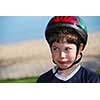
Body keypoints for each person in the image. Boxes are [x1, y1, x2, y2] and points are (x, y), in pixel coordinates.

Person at [37, 16, 100, 83]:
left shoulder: (91, 79)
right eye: (56, 49)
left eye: (67, 49)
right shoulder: (43, 80)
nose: (62, 55)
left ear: (80, 49)